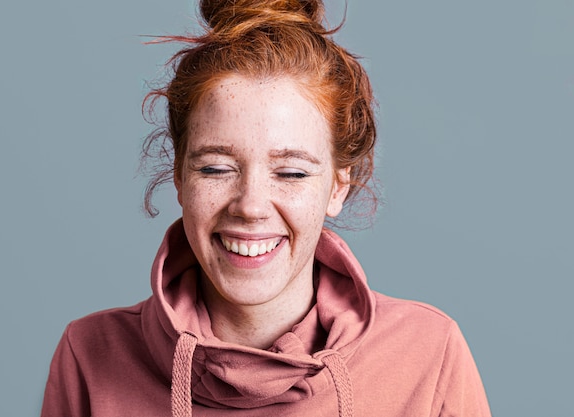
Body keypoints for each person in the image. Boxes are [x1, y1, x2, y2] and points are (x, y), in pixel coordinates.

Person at [41, 1, 491, 416]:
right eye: (216, 168)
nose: (251, 207)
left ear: (338, 186)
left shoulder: (428, 355)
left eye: (292, 173)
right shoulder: (90, 355)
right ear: (179, 176)